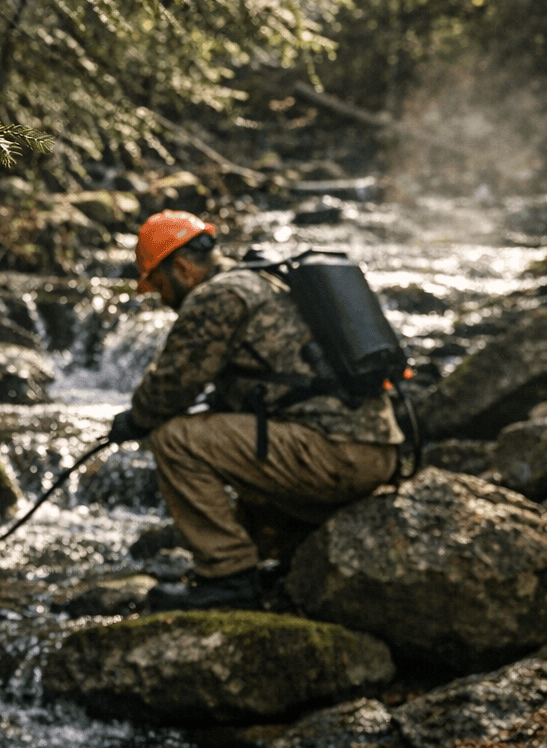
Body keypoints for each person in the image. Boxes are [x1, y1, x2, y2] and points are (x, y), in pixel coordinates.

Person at [107, 210, 402, 611]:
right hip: (376, 449)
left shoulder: (217, 297)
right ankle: (279, 555)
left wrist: (134, 421)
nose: (160, 297)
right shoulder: (263, 277)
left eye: (158, 284)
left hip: (337, 455)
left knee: (175, 440)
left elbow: (168, 390)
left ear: (182, 268)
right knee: (237, 432)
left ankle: (228, 575)